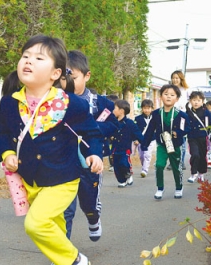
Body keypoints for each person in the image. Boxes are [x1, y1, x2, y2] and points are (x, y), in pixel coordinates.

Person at [0, 35, 103, 265]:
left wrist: (95, 153)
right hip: (31, 180)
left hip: (63, 178)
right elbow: (0, 133)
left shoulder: (70, 103)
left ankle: (76, 260)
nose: (28, 61)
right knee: (56, 228)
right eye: (25, 56)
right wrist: (7, 153)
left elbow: (92, 132)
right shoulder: (10, 103)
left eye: (39, 58)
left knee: (36, 224)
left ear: (55, 73)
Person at [59, 50, 118, 242]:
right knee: (65, 211)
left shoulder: (100, 103)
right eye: (64, 77)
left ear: (87, 75)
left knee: (88, 202)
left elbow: (112, 126)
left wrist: (90, 127)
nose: (68, 82)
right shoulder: (55, 101)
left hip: (90, 161)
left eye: (73, 77)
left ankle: (93, 218)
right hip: (63, 163)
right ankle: (62, 255)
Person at [141, 84, 190, 200]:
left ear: (177, 99)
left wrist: (178, 132)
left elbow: (187, 128)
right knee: (159, 165)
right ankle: (160, 188)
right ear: (160, 97)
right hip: (162, 145)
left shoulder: (181, 115)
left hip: (175, 145)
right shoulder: (156, 113)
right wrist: (145, 144)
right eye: (166, 94)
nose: (168, 97)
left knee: (176, 168)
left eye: (172, 95)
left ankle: (179, 187)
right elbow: (149, 130)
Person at [186, 92, 211, 183]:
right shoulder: (187, 113)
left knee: (202, 156)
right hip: (192, 137)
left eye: (199, 100)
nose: (196, 102)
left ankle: (201, 174)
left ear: (203, 101)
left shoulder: (207, 112)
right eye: (194, 100)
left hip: (203, 138)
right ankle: (194, 173)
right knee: (195, 154)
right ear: (190, 101)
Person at [111, 100, 144, 187]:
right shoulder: (113, 122)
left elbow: (137, 133)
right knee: (116, 166)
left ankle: (128, 174)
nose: (113, 110)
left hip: (125, 148)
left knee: (124, 163)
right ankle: (122, 181)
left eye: (115, 108)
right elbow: (108, 131)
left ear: (121, 111)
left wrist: (143, 142)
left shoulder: (129, 123)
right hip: (115, 148)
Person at [167, 70, 190, 171]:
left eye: (177, 78)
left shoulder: (186, 90)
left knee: (181, 138)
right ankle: (172, 161)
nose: (175, 80)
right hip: (170, 116)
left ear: (181, 79)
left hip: (182, 117)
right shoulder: (168, 89)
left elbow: (190, 103)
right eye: (173, 78)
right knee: (169, 138)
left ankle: (181, 161)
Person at [134, 99, 155, 178]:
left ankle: (144, 170)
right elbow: (135, 130)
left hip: (151, 139)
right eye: (145, 108)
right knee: (142, 156)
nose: (147, 110)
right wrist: (136, 139)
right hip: (141, 140)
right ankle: (144, 166)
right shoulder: (137, 118)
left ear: (152, 108)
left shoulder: (155, 117)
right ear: (142, 109)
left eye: (148, 108)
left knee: (147, 154)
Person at [106, 94, 119, 172]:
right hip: (109, 136)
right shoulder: (105, 114)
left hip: (117, 136)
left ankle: (117, 164)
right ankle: (112, 164)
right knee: (110, 150)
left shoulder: (119, 115)